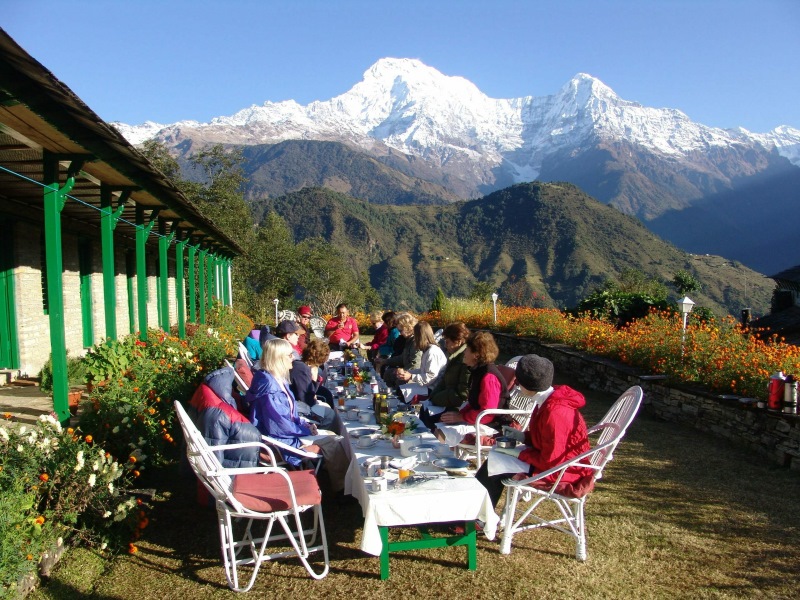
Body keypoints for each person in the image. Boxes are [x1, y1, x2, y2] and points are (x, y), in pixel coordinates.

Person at [475, 354, 593, 508]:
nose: (517, 386)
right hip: (554, 461)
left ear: (528, 385)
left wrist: (519, 453)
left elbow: (551, 461)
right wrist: (523, 436)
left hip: (563, 471)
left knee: (496, 465)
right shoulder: (547, 401)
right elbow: (546, 438)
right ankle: (475, 511)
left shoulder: (555, 412)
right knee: (496, 457)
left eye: (518, 383)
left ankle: (477, 517)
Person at [246, 338, 320, 467]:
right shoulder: (270, 388)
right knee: (334, 445)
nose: (293, 358)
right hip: (280, 444)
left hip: (287, 437)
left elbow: (289, 415)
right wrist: (305, 431)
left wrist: (306, 425)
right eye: (289, 355)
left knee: (335, 441)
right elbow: (279, 426)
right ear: (279, 358)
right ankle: (333, 486)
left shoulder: (277, 379)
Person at [435, 331, 510, 447]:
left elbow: (488, 413)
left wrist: (461, 417)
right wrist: (459, 415)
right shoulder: (478, 372)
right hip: (480, 421)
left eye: (467, 349)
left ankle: (445, 461)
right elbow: (474, 403)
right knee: (441, 424)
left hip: (493, 426)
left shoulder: (488, 377)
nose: (464, 352)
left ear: (476, 355)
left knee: (441, 433)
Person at [419, 322, 471, 430]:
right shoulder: (454, 357)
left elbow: (462, 394)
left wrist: (436, 399)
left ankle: (436, 442)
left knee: (429, 416)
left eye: (447, 342)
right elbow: (444, 381)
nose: (445, 345)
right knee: (424, 410)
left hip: (458, 406)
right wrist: (433, 397)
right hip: (448, 400)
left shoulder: (465, 360)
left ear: (458, 341)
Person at [289, 338, 336, 429]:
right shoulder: (302, 369)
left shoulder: (302, 365)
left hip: (301, 403)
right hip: (299, 406)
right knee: (330, 414)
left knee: (326, 405)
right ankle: (321, 434)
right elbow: (307, 398)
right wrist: (314, 379)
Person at [396, 321, 447, 402]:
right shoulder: (427, 350)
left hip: (433, 389)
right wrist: (408, 372)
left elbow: (431, 376)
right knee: (400, 389)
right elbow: (423, 371)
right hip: (428, 386)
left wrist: (411, 376)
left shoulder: (432, 352)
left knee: (403, 393)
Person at [375, 312, 421, 387]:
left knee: (398, 379)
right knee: (388, 373)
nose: (400, 334)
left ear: (408, 328)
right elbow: (402, 357)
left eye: (401, 331)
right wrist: (385, 361)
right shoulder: (408, 340)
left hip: (415, 374)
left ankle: (398, 396)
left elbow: (416, 364)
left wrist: (402, 372)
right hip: (408, 370)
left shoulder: (416, 342)